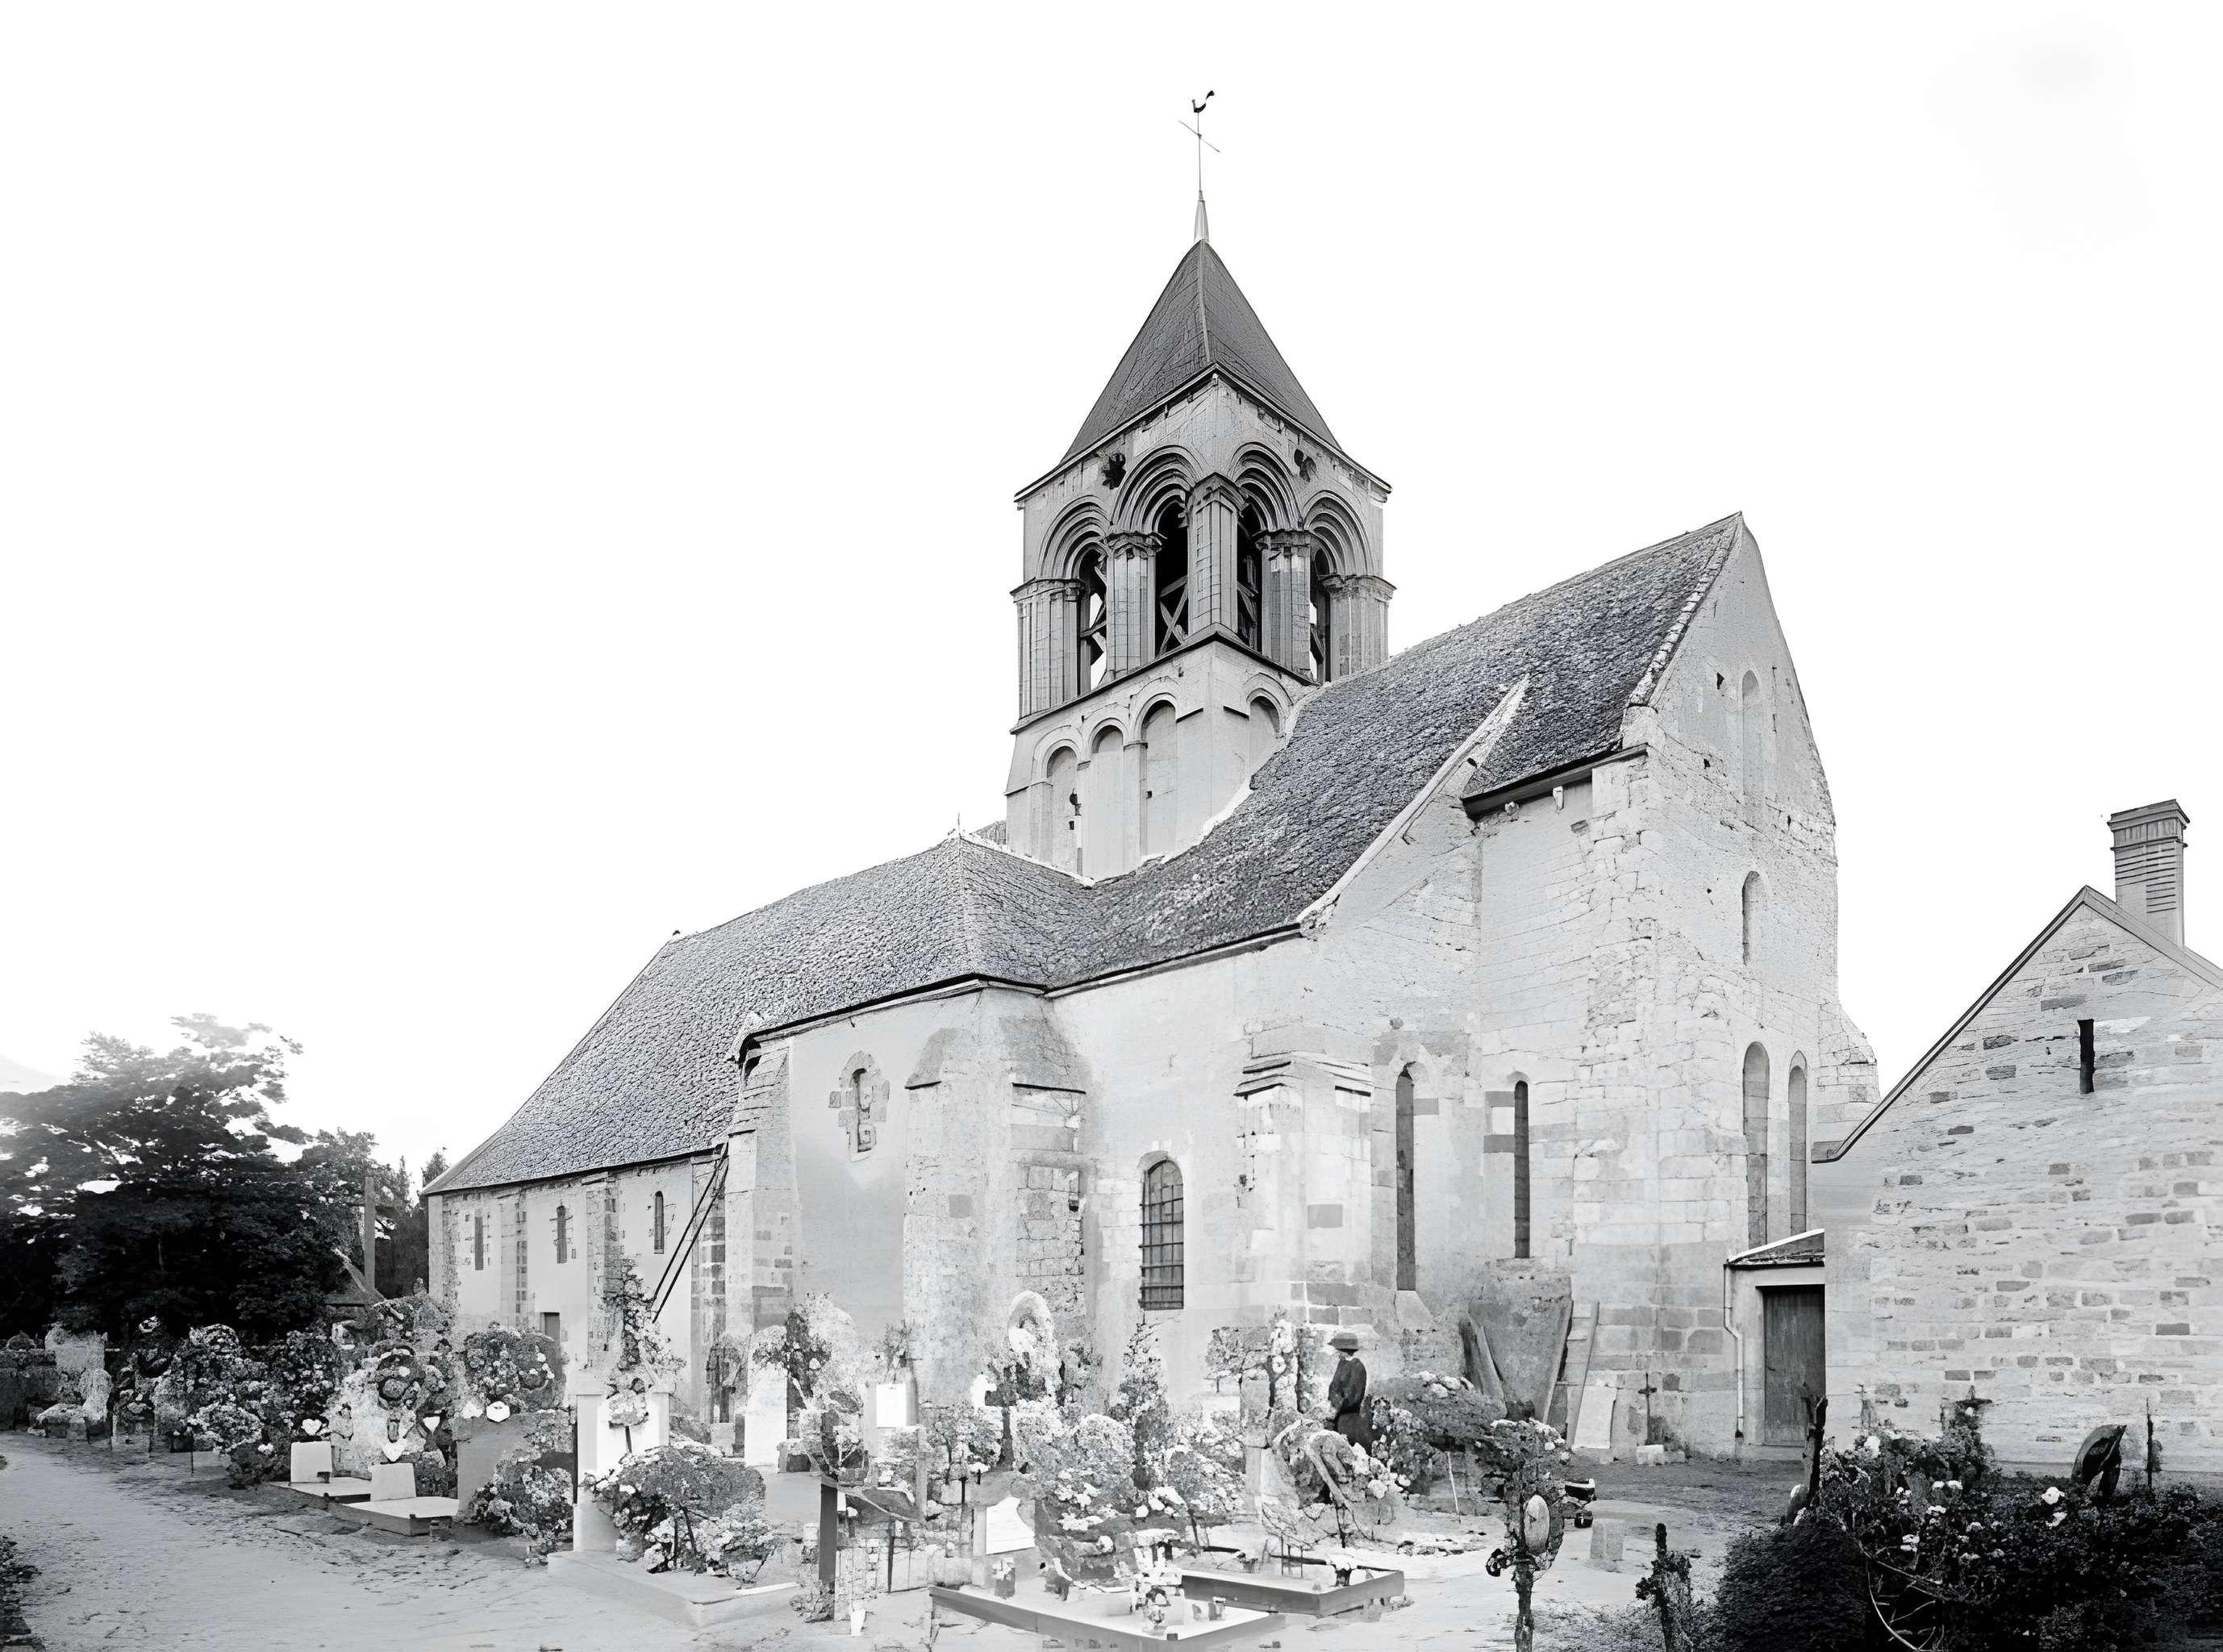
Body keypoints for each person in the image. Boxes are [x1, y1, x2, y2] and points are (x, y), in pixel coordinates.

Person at [1324, 1330, 1372, 1448]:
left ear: (1347, 1350)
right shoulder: (1342, 1363)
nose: (1338, 1353)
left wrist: (1337, 1406)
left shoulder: (1358, 1368)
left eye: (1340, 1350)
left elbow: (1353, 1397)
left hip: (1348, 1418)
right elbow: (1335, 1387)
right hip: (1337, 1415)